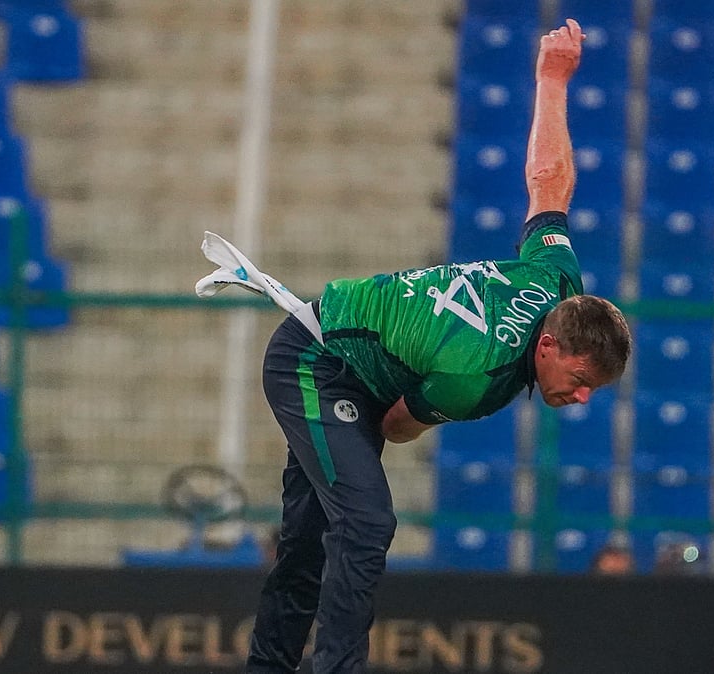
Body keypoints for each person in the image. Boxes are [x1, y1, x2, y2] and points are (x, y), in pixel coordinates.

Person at [199, 20, 631, 673]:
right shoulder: (478, 377)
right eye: (581, 379)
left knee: (309, 543)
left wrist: (552, 77)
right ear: (548, 345)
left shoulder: (556, 278)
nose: (583, 397)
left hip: (356, 364)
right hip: (315, 361)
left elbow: (549, 179)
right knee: (366, 521)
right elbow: (396, 425)